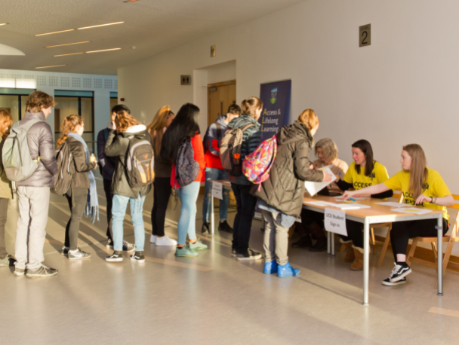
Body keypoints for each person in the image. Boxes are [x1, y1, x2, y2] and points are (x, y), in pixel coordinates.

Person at [343, 144, 453, 286]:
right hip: (414, 219)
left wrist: (430, 199)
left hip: (437, 222)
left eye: (403, 157)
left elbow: (449, 200)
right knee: (397, 224)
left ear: (414, 159)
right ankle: (401, 266)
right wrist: (353, 192)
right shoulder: (403, 175)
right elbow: (380, 187)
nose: (400, 161)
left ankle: (401, 268)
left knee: (399, 228)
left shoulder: (432, 175)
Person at [255, 109, 333, 277]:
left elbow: (289, 161)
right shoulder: (303, 140)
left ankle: (269, 263)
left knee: (270, 225)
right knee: (282, 228)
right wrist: (322, 175)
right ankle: (283, 266)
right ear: (312, 124)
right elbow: (302, 172)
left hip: (268, 186)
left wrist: (308, 165)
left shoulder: (285, 133)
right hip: (283, 191)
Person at [14, 91, 59, 277]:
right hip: (38, 182)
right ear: (42, 106)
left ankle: (20, 264)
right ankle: (34, 266)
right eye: (48, 108)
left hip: (20, 180)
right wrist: (56, 173)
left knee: (23, 222)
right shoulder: (42, 126)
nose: (49, 112)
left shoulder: (18, 125)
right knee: (37, 224)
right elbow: (48, 157)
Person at [335, 139, 393, 270]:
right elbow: (346, 185)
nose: (353, 157)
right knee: (336, 216)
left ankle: (360, 257)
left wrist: (368, 195)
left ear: (366, 154)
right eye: (353, 153)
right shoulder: (353, 167)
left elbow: (388, 192)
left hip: (376, 208)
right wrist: (335, 179)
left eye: (356, 154)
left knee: (351, 221)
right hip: (359, 205)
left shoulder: (379, 168)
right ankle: (351, 250)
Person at [105, 108, 152, 262]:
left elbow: (108, 151)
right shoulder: (145, 135)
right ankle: (139, 253)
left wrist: (113, 131)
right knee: (137, 218)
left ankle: (117, 253)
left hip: (124, 185)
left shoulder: (122, 138)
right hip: (141, 184)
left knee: (118, 217)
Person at [161, 103, 208, 257]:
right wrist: (200, 169)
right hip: (190, 178)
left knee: (190, 208)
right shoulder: (193, 132)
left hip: (176, 177)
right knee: (187, 210)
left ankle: (193, 241)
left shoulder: (172, 132)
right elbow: (200, 157)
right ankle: (181, 247)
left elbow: (166, 155)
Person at [292, 138, 348, 251]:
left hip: (333, 200)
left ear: (330, 152)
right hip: (317, 197)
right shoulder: (316, 163)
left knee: (306, 212)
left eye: (322, 152)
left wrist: (328, 185)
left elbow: (344, 187)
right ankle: (306, 238)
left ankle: (321, 240)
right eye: (318, 152)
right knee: (297, 208)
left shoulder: (341, 166)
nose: (320, 155)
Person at [58, 115, 98, 259]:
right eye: (82, 125)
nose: (84, 128)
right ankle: (73, 251)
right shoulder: (78, 143)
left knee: (73, 216)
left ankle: (68, 246)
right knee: (76, 218)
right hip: (78, 185)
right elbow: (81, 167)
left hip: (69, 185)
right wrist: (93, 165)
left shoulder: (67, 141)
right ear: (77, 127)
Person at [228, 97, 262, 260]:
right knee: (246, 214)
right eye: (261, 110)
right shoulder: (253, 129)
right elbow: (254, 156)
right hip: (246, 177)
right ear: (257, 110)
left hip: (233, 175)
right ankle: (242, 250)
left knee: (240, 212)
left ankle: (236, 246)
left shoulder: (234, 124)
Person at [97, 105, 134, 252]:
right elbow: (102, 157)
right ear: (114, 116)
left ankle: (111, 234)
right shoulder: (103, 133)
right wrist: (114, 174)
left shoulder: (128, 133)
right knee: (114, 209)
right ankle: (114, 240)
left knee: (120, 210)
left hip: (126, 177)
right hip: (110, 177)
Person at [201, 104, 242, 234]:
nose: (235, 121)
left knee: (225, 195)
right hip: (212, 166)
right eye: (234, 118)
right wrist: (228, 155)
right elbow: (212, 148)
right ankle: (205, 222)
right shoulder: (214, 127)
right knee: (209, 194)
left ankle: (223, 222)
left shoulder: (233, 129)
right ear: (228, 114)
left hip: (225, 168)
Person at [146, 105, 177, 246]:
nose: (173, 122)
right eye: (172, 120)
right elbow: (168, 156)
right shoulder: (165, 133)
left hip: (154, 173)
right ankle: (161, 236)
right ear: (165, 119)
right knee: (162, 206)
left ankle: (154, 234)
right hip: (164, 173)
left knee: (157, 204)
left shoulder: (151, 131)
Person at [0, 110, 13, 268]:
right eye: (5, 123)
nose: (8, 125)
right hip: (1, 185)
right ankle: (1, 255)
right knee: (1, 220)